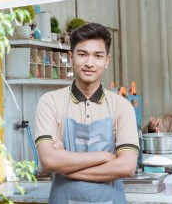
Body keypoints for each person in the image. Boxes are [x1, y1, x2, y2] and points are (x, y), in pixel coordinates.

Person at [35, 23, 139, 203]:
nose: (89, 63)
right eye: (82, 54)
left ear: (107, 60)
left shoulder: (122, 106)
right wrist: (105, 157)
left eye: (98, 56)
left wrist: (65, 165)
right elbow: (49, 161)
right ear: (71, 57)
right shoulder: (50, 101)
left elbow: (127, 166)